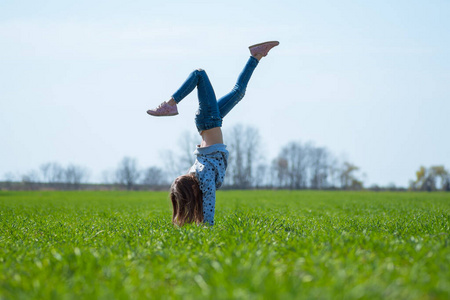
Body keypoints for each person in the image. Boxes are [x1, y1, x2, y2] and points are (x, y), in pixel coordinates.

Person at [147, 41, 279, 226]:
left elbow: (209, 201)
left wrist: (207, 225)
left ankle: (170, 104)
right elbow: (204, 198)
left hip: (208, 121)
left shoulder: (202, 176)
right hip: (210, 122)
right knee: (238, 92)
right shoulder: (199, 176)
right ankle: (256, 55)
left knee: (199, 73)